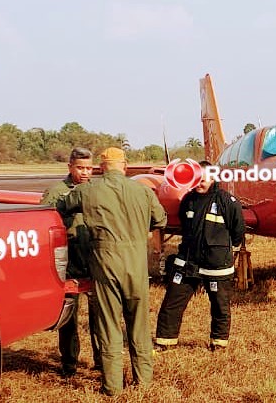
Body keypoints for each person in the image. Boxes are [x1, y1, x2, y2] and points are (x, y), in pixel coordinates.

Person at [58, 147, 167, 396]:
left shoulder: (88, 190)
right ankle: (144, 381)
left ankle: (112, 386)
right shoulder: (142, 191)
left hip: (105, 266)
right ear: (125, 166)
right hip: (136, 266)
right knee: (138, 324)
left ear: (101, 168)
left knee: (108, 325)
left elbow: (64, 205)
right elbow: (160, 219)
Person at [154, 160, 245, 353]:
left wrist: (221, 250)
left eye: (205, 178)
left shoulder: (227, 202)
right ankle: (165, 341)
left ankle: (218, 343)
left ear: (214, 177)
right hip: (187, 262)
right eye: (198, 178)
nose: (201, 182)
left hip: (216, 265)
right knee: (172, 302)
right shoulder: (188, 200)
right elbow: (185, 228)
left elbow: (238, 232)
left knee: (220, 305)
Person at [41, 147, 101, 377]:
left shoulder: (98, 190)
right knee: (68, 318)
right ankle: (69, 364)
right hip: (68, 263)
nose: (86, 173)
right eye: (81, 168)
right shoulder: (56, 192)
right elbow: (43, 223)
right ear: (70, 167)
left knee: (100, 316)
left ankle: (101, 360)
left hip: (94, 260)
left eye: (89, 168)